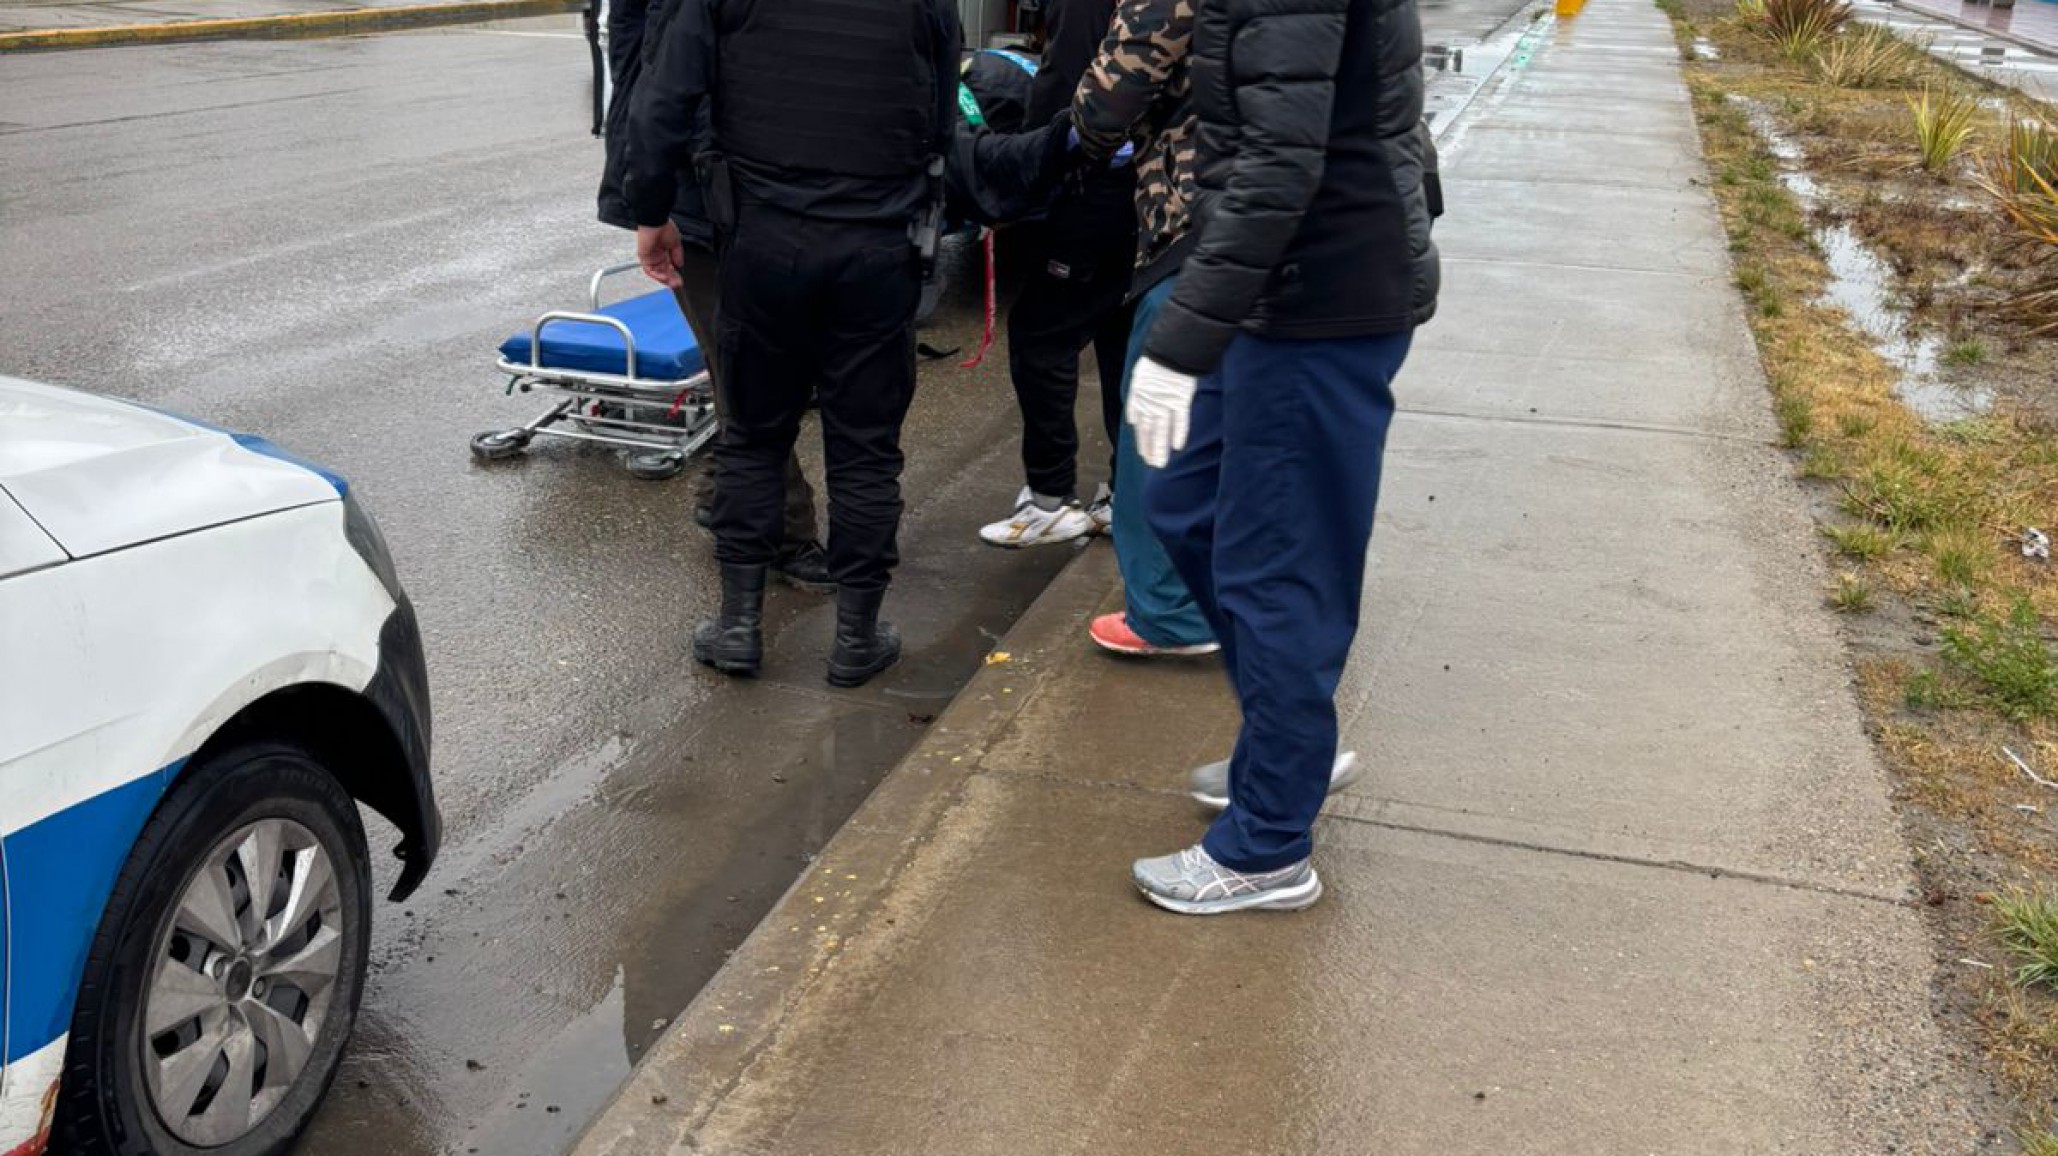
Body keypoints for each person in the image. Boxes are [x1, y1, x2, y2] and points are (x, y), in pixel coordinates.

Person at [626, 0, 1071, 687]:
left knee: (753, 435)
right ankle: (856, 638)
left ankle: (739, 625)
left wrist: (650, 212)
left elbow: (664, 101)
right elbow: (937, 117)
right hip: (877, 245)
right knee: (864, 447)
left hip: (764, 242)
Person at [1120, 0, 1441, 914]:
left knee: (1281, 570)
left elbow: (1279, 164)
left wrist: (1178, 347)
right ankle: (1286, 738)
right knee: (1184, 504)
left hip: (1318, 293)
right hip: (1284, 283)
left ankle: (1266, 845)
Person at [596, 0, 831, 595]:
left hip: (717, 189)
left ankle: (723, 496)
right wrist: (658, 203)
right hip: (706, 195)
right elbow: (658, 85)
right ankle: (783, 533)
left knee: (743, 362)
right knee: (746, 370)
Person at [1062, 0, 1218, 658]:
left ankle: (1171, 614)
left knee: (1160, 430)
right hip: (1340, 232)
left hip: (1204, 237)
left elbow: (1104, 109)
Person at [976, 0, 1139, 549]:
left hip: (1093, 185)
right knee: (1122, 336)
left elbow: (1065, 86)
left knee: (1041, 337)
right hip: (1152, 189)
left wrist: (1025, 167)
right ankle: (1127, 494)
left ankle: (1049, 499)